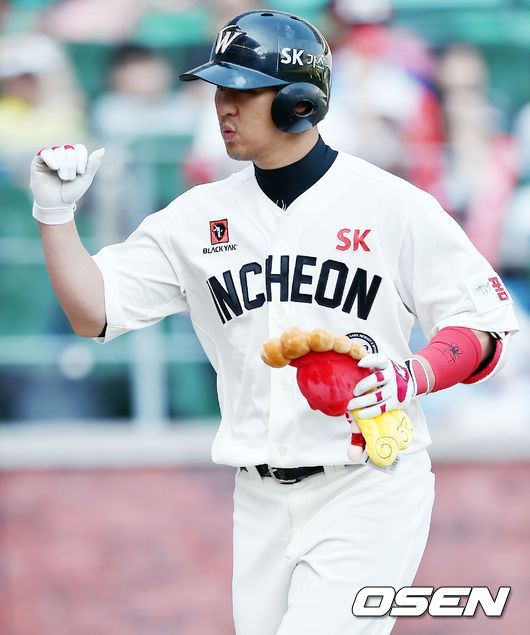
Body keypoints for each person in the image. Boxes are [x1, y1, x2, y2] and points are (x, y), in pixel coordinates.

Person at [30, 10, 518, 635]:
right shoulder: (194, 217)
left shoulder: (391, 203)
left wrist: (411, 376)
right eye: (218, 89)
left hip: (367, 484)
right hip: (257, 495)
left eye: (242, 90)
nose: (222, 106)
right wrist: (55, 216)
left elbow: (483, 326)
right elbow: (92, 310)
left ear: (297, 102)